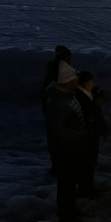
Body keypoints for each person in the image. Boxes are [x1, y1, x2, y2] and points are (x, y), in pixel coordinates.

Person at [45, 60, 85, 222]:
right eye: (74, 79)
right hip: (65, 147)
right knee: (66, 182)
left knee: (70, 180)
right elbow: (57, 128)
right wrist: (76, 134)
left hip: (72, 145)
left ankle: (70, 209)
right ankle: (66, 214)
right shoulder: (59, 101)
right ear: (67, 81)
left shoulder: (68, 96)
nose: (77, 82)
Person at [75, 71, 108, 197]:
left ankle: (88, 186)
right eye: (90, 83)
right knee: (86, 163)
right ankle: (85, 188)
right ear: (83, 83)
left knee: (90, 162)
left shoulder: (89, 94)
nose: (92, 85)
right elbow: (88, 115)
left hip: (92, 134)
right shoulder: (80, 97)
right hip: (86, 135)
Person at [41, 46, 72, 174]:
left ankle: (57, 165)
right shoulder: (59, 72)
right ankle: (58, 166)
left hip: (54, 110)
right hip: (57, 111)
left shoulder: (55, 71)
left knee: (56, 139)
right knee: (59, 139)